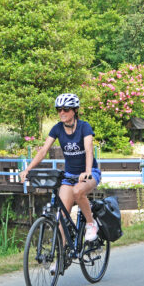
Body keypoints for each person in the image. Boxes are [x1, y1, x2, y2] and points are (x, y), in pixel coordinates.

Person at [19, 93, 102, 242]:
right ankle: (61, 258)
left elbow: (89, 150)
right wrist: (27, 169)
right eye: (59, 109)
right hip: (69, 176)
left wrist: (88, 171)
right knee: (61, 218)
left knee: (78, 191)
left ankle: (91, 223)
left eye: (66, 109)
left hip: (90, 173)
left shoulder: (84, 127)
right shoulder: (57, 129)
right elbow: (43, 150)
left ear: (75, 110)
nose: (62, 112)